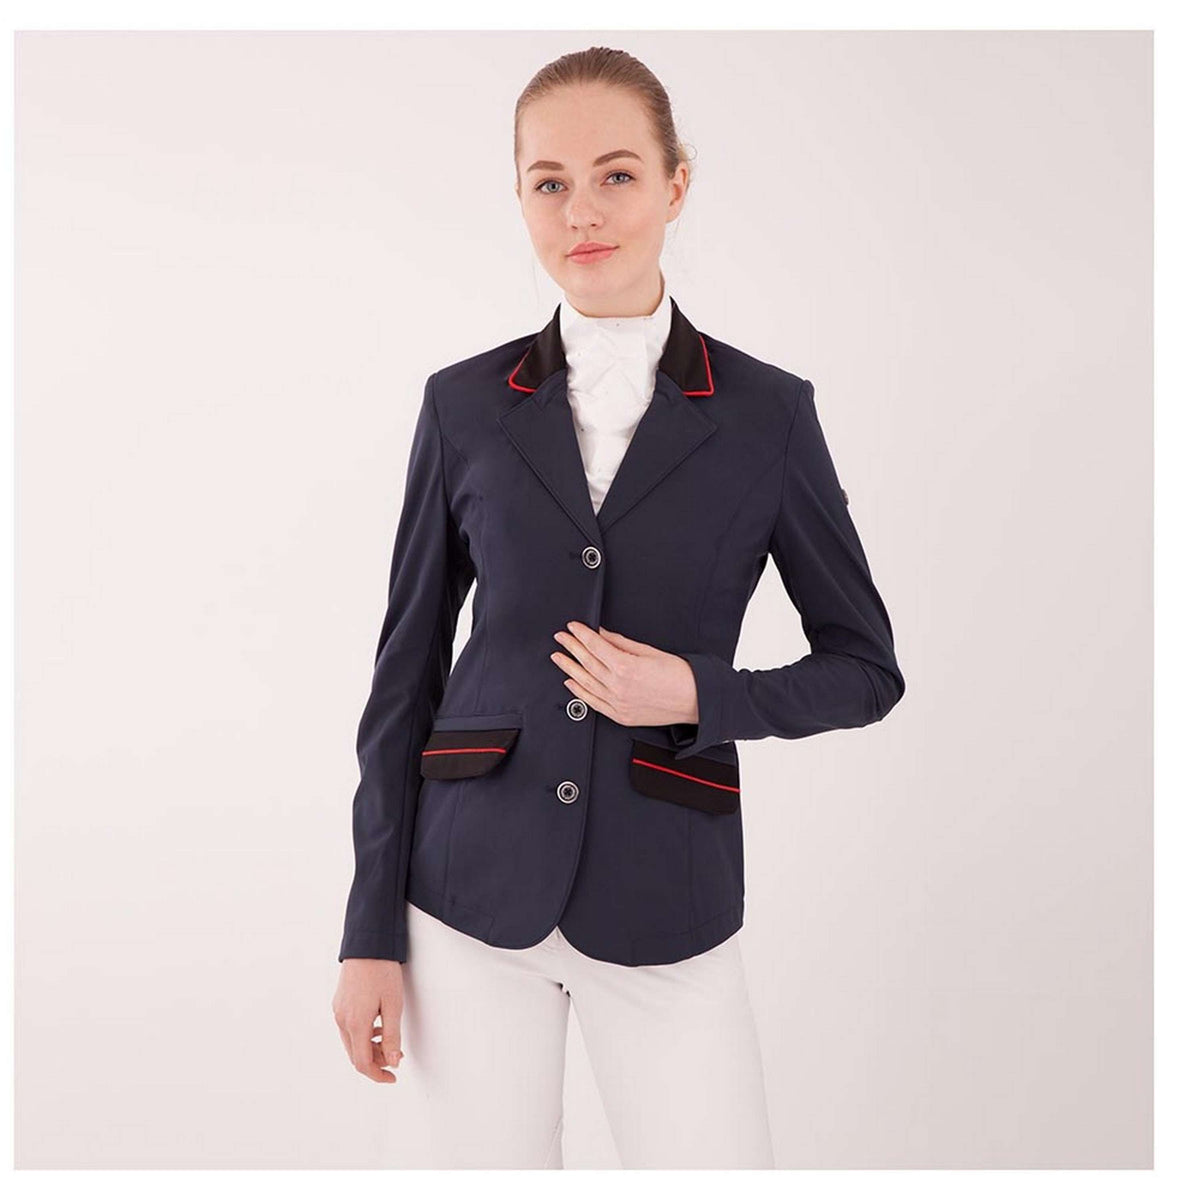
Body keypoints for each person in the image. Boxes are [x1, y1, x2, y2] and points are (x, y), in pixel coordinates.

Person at [331, 46, 905, 1169]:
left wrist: (696, 692)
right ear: (519, 198)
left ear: (676, 185)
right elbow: (403, 679)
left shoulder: (769, 415)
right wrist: (368, 934)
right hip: (467, 893)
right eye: (549, 182)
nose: (581, 212)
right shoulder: (462, 406)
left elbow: (865, 668)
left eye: (616, 176)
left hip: (667, 891)